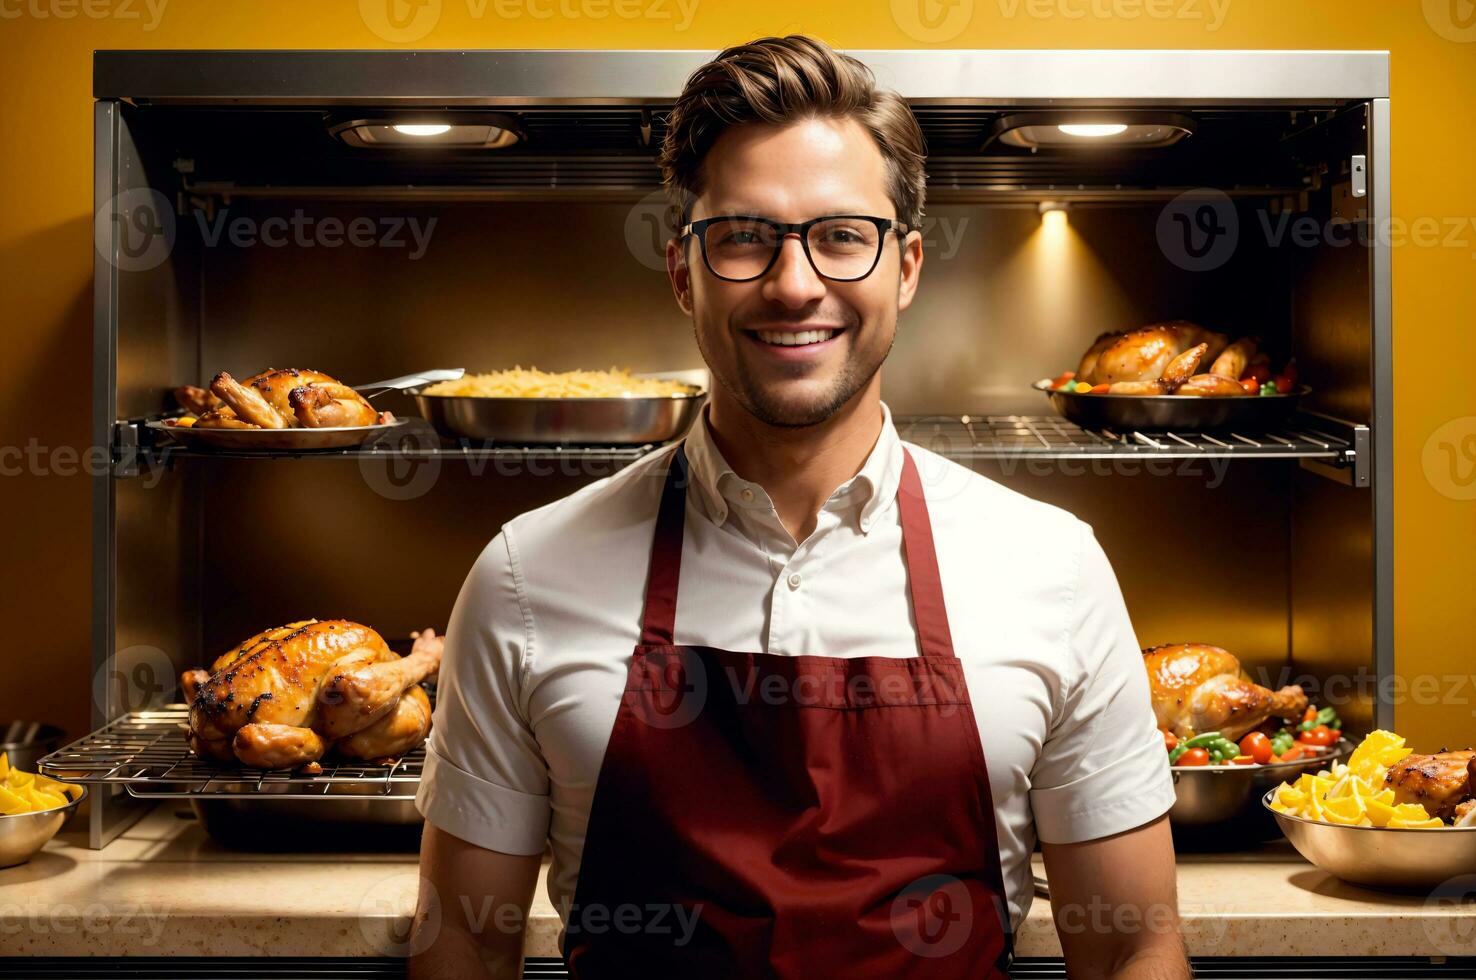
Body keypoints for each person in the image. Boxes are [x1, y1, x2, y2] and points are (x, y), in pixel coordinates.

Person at [410, 34, 1188, 980]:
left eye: (840, 236)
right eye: (744, 236)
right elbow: (463, 946)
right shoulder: (526, 576)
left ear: (904, 267)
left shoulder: (1051, 568)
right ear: (681, 271)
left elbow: (1131, 951)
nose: (794, 284)